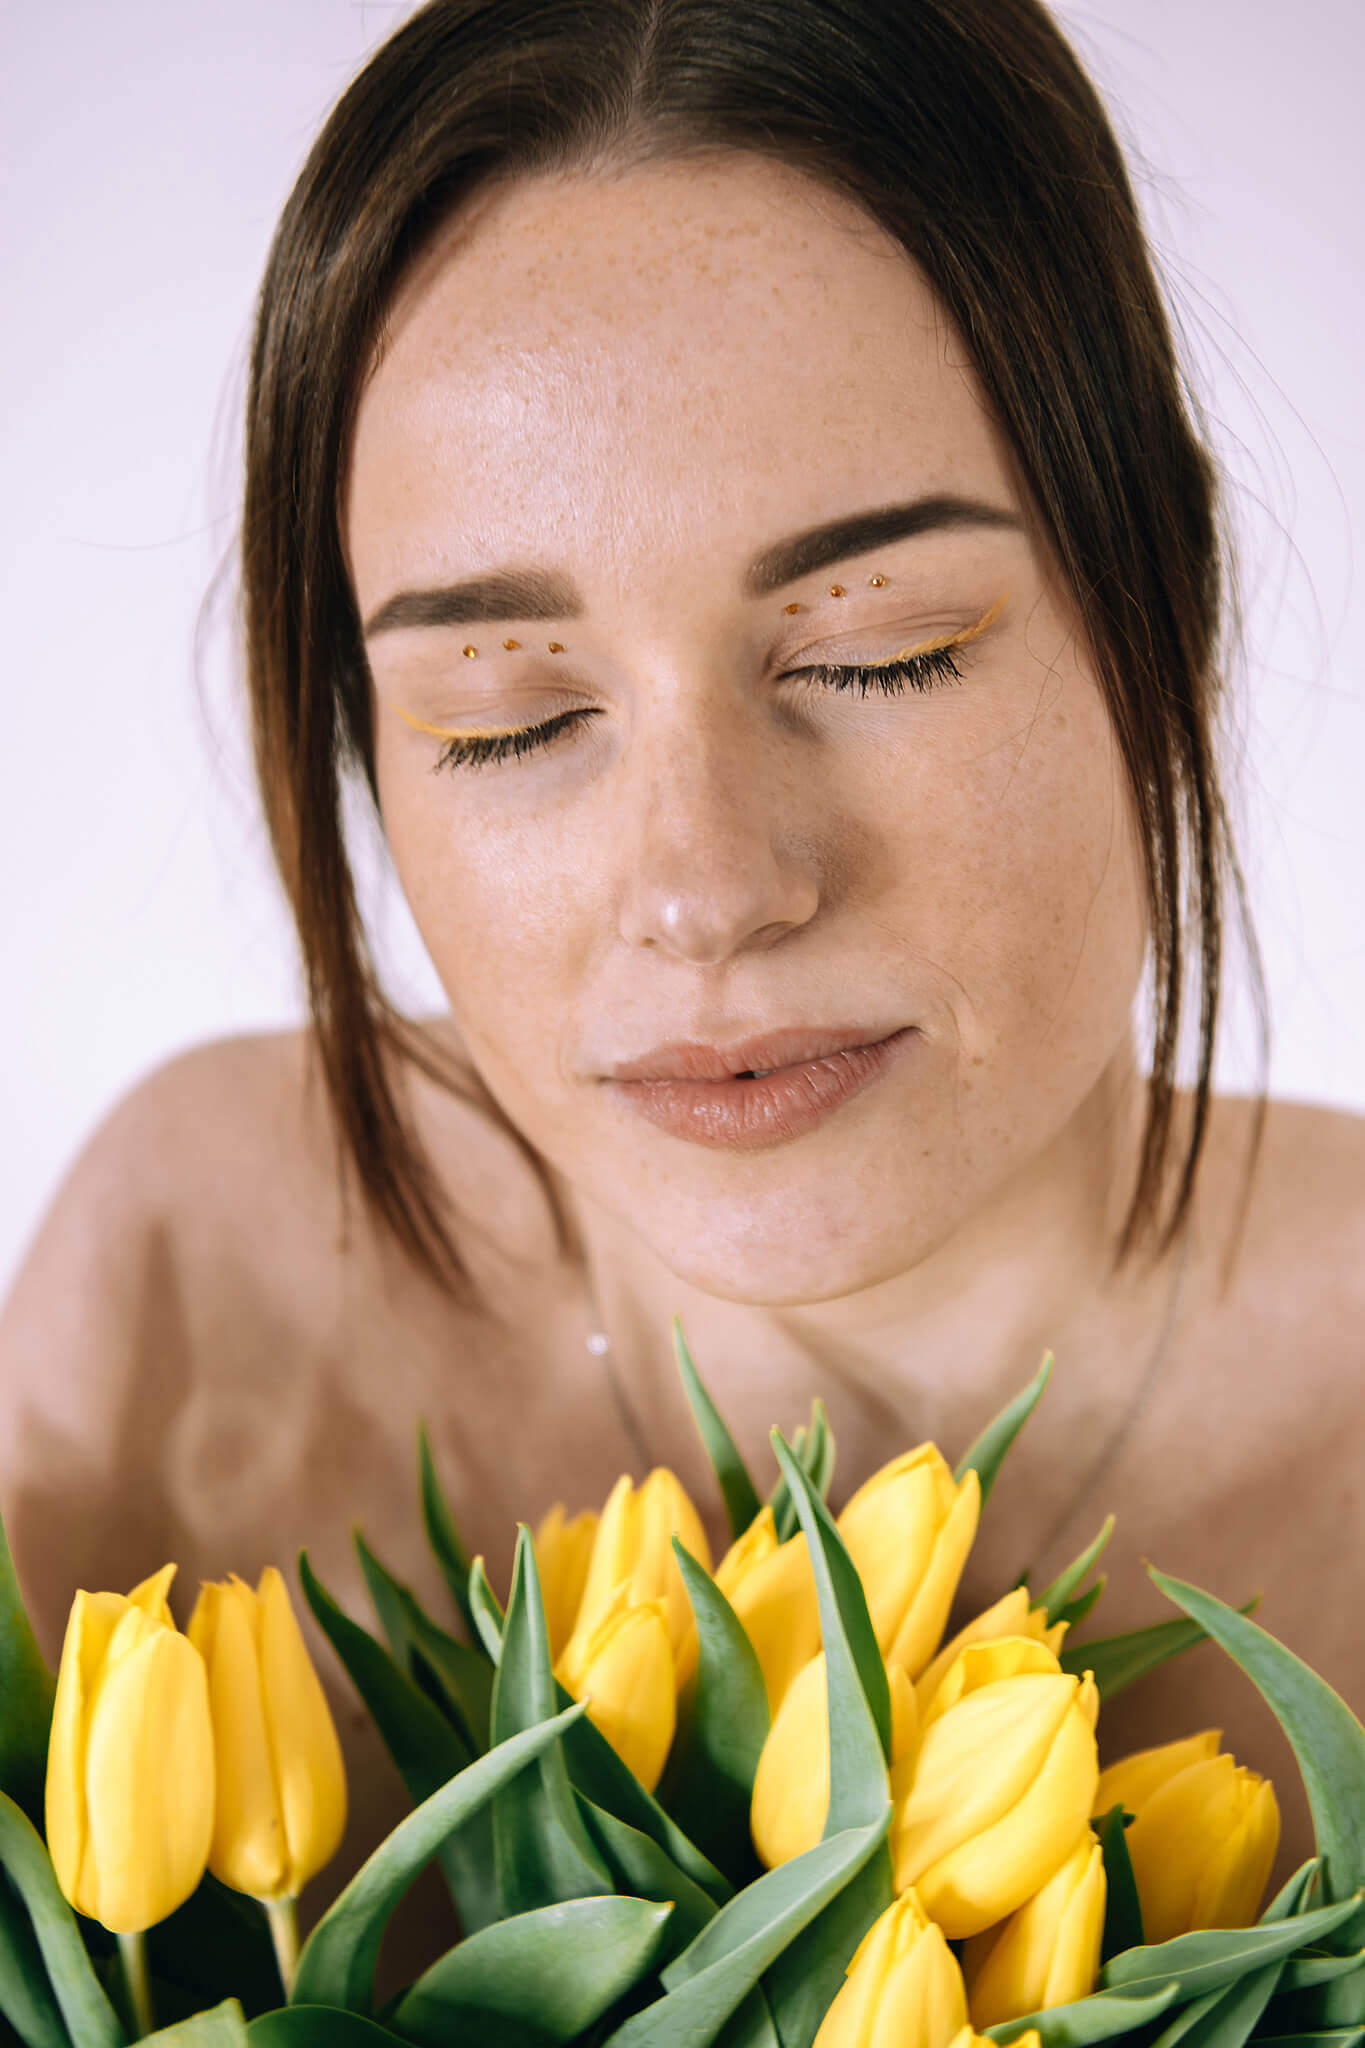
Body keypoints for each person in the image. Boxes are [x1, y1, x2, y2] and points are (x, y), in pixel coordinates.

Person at [2, 0, 1361, 1962]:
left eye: (877, 649)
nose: (707, 887)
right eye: (504, 713)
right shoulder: (194, 1283)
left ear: (1167, 606)